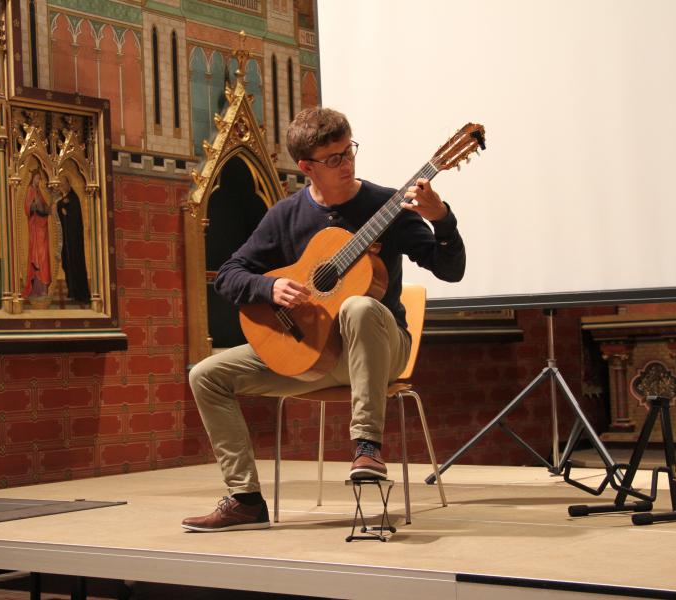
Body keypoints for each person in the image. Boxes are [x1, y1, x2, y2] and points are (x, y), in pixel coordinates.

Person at [182, 107, 466, 532]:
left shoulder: (386, 207)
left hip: (382, 350)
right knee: (206, 375)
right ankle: (244, 499)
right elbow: (228, 275)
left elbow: (450, 268)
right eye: (333, 159)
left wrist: (441, 218)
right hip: (318, 354)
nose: (346, 162)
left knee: (359, 306)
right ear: (306, 167)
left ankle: (367, 446)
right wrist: (268, 288)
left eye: (348, 150)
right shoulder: (286, 215)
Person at [55, 177, 91, 304]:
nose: (62, 187)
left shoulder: (74, 198)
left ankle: (79, 292)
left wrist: (67, 213)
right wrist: (61, 208)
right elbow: (59, 207)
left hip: (74, 240)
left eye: (64, 184)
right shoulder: (63, 198)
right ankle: (72, 290)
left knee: (75, 264)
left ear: (69, 184)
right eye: (61, 185)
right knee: (66, 263)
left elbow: (75, 216)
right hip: (67, 239)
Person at [22, 171, 52, 299]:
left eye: (39, 179)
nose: (38, 180)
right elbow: (27, 208)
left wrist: (46, 207)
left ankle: (43, 288)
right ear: (32, 178)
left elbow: (44, 207)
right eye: (36, 178)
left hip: (42, 228)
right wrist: (34, 205)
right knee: (38, 257)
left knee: (44, 256)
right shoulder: (30, 190)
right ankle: (36, 290)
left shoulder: (39, 191)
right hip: (35, 228)